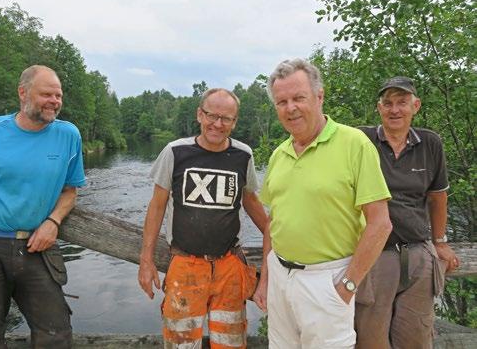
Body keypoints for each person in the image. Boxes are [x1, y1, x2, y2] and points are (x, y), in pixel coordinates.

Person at [252, 58, 393, 349]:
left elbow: (380, 224)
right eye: (281, 101)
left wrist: (347, 285)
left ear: (319, 97)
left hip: (327, 280)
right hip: (280, 275)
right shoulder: (279, 154)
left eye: (298, 98)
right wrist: (266, 279)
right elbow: (273, 223)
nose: (290, 108)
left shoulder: (355, 144)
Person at [0, 65, 86, 348]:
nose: (55, 101)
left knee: (55, 334)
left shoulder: (68, 135)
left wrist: (53, 222)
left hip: (37, 246)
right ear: (23, 93)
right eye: (47, 94)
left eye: (58, 95)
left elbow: (70, 191)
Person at [138, 88, 269, 348]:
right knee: (180, 342)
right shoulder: (175, 152)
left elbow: (250, 200)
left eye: (226, 119)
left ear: (234, 122)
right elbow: (157, 205)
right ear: (200, 114)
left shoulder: (243, 155)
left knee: (230, 339)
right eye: (212, 116)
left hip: (230, 265)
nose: (218, 124)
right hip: (185, 264)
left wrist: (272, 232)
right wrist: (146, 260)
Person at [355, 76, 460, 349]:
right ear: (379, 108)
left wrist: (440, 242)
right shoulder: (361, 140)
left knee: (416, 337)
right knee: (370, 338)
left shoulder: (430, 143)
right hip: (373, 257)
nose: (394, 110)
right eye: (387, 103)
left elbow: (438, 197)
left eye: (402, 103)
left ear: (416, 106)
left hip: (418, 255)